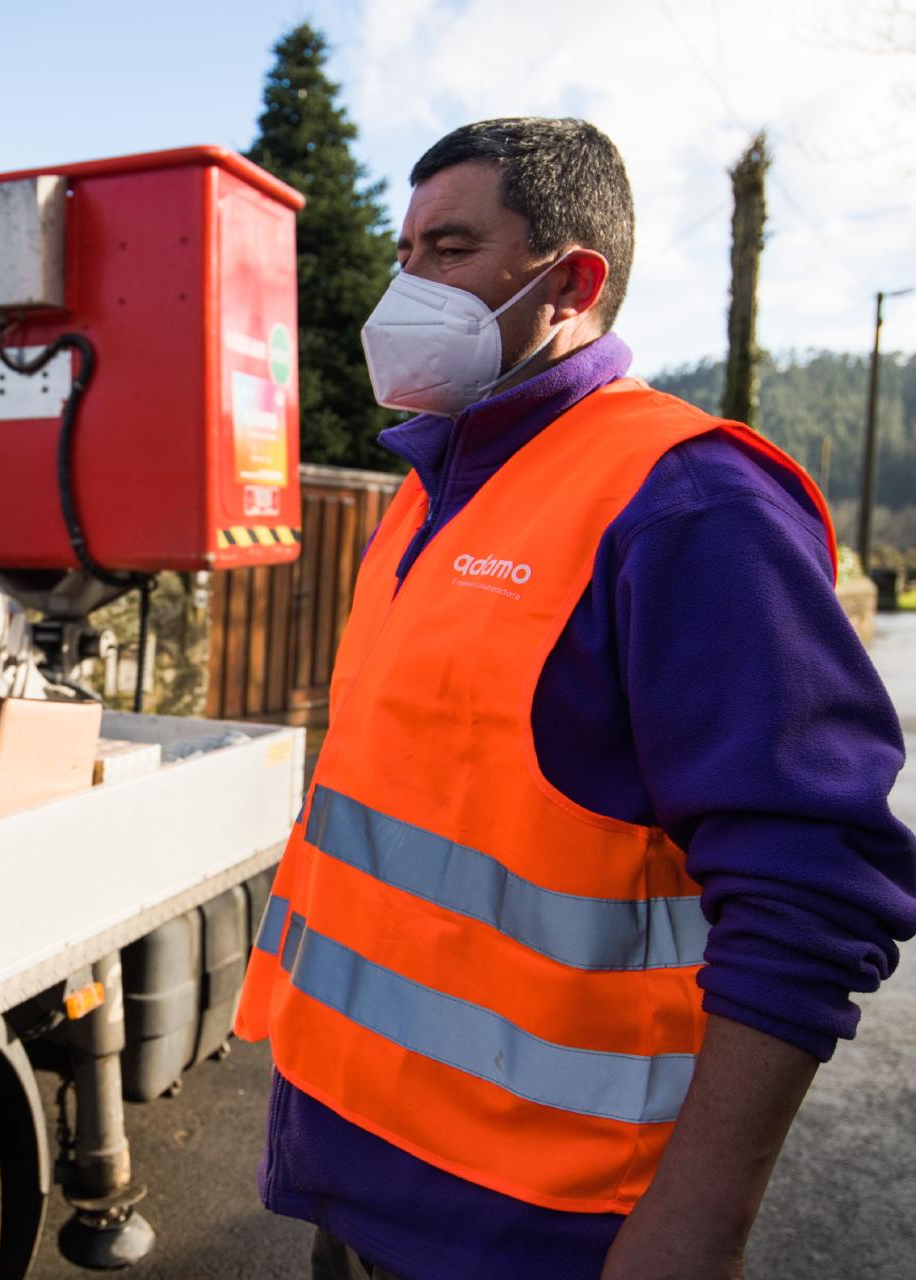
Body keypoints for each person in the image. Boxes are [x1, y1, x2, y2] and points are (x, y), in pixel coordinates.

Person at [234, 117, 916, 1280]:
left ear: (570, 281)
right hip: (351, 1170)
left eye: (446, 248)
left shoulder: (689, 502)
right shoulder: (427, 489)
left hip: (538, 1220)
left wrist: (694, 1225)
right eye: (403, 252)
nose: (404, 285)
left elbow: (810, 890)